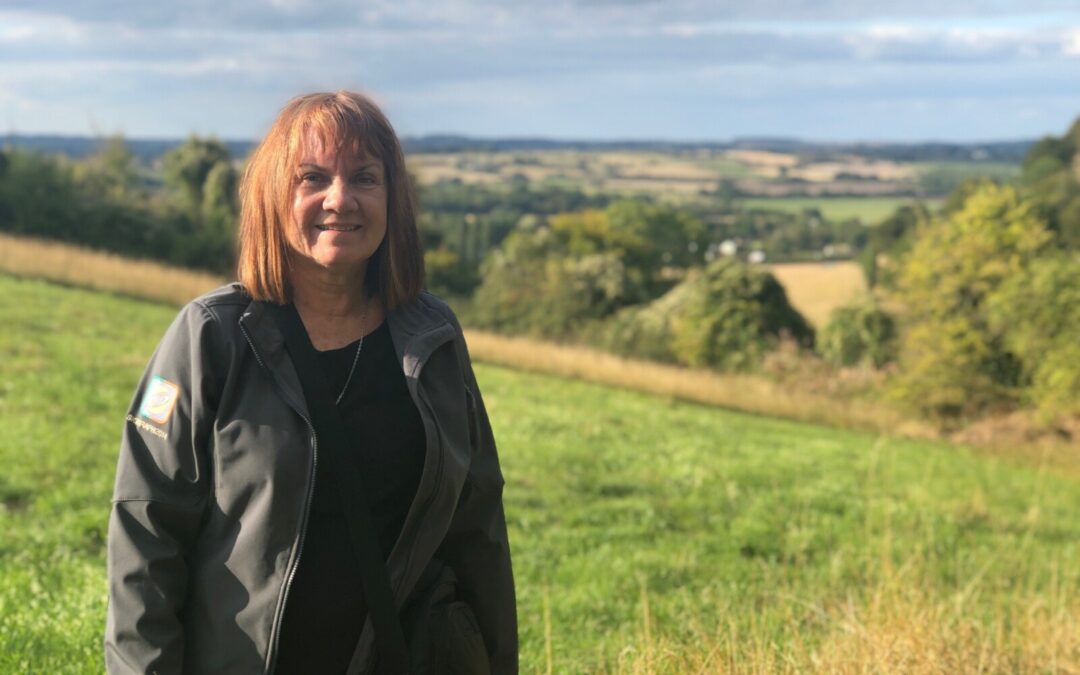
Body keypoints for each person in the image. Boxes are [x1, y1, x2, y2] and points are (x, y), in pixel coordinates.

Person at [105, 91, 517, 674]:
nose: (340, 199)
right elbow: (146, 533)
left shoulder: (434, 338)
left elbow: (478, 530)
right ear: (276, 195)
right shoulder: (207, 338)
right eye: (313, 177)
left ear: (393, 199)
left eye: (365, 178)